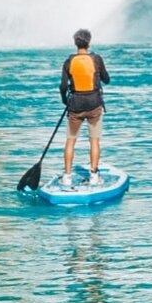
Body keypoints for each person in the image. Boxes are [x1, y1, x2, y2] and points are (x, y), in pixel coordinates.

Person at [59, 28, 110, 187]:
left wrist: (65, 102)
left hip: (75, 106)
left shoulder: (69, 61)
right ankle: (94, 176)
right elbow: (106, 79)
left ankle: (67, 177)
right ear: (89, 42)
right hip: (94, 105)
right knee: (94, 141)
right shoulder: (96, 59)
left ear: (76, 43)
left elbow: (62, 86)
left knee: (70, 141)